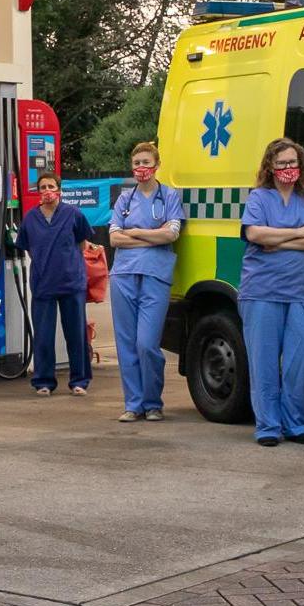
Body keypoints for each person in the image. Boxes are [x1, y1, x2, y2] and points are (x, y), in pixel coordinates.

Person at [239, 137, 304, 446]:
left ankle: (296, 422)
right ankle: (268, 426)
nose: (288, 168)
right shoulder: (259, 198)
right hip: (262, 290)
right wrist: (298, 232)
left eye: (293, 162)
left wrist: (277, 242)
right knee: (264, 362)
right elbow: (254, 233)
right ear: (270, 167)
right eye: (282, 163)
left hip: (302, 291)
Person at [108, 144, 183, 423]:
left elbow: (171, 235)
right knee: (126, 343)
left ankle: (153, 401)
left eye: (146, 162)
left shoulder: (169, 196)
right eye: (136, 162)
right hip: (123, 275)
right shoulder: (125, 200)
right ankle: (134, 404)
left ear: (157, 164)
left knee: (146, 343)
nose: (141, 167)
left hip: (155, 275)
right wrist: (153, 233)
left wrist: (135, 232)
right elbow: (114, 239)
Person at [19, 173, 94, 396]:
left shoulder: (73, 214)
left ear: (59, 189)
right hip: (43, 284)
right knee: (43, 334)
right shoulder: (30, 219)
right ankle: (43, 381)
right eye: (42, 187)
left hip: (72, 282)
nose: (47, 190)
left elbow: (82, 243)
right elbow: (28, 247)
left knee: (76, 334)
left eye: (51, 186)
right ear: (38, 191)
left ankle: (79, 381)